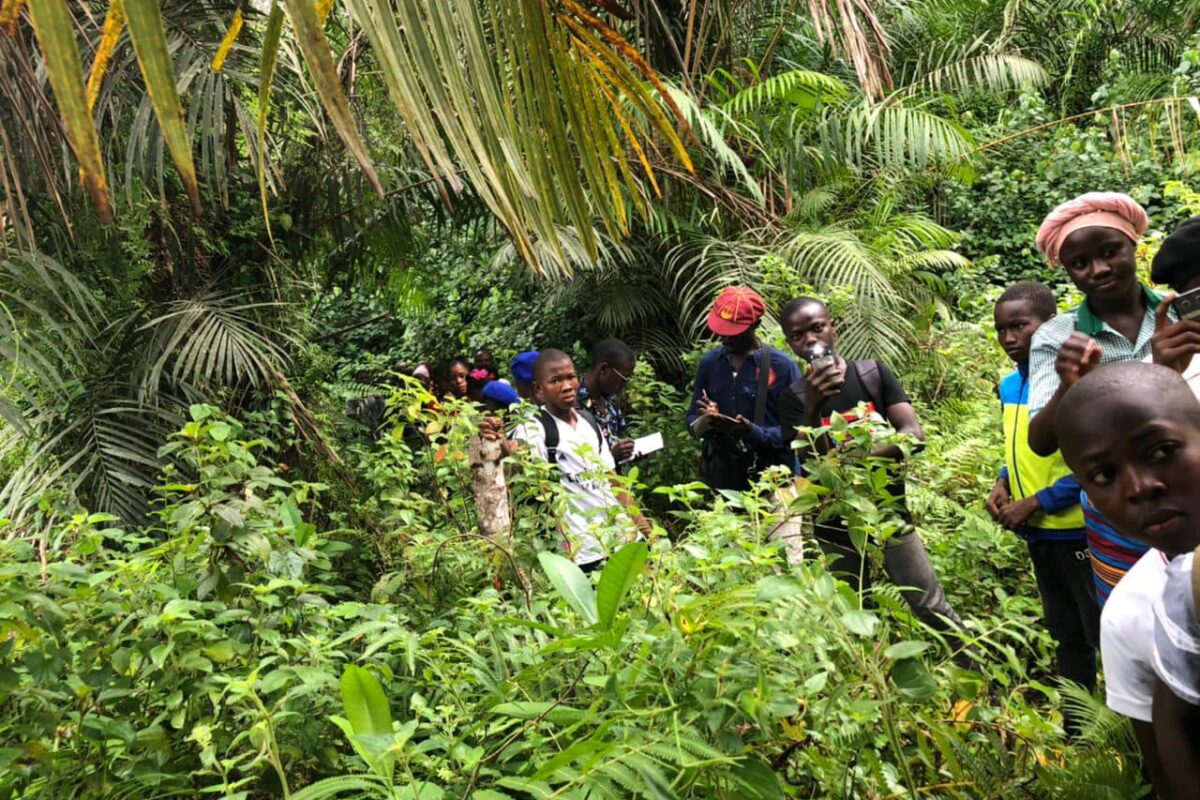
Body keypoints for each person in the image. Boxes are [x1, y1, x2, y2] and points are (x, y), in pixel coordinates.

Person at [1026, 193, 1200, 607]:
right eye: (1080, 264)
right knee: (1139, 614)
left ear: (1134, 247)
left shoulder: (1183, 310)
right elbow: (1041, 440)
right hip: (1116, 507)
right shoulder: (1056, 337)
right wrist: (1070, 386)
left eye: (1109, 252)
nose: (1099, 269)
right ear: (1067, 271)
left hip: (1189, 486)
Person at [776, 297, 968, 638]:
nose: (810, 339)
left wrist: (857, 457)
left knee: (929, 602)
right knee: (857, 610)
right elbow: (813, 466)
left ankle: (972, 667)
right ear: (789, 342)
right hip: (835, 524)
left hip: (889, 512)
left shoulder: (872, 373)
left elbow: (913, 435)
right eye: (797, 335)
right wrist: (813, 405)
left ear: (833, 327)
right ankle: (876, 678)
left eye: (817, 327)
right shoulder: (792, 397)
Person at [1054, 362, 1200, 798]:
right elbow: (1167, 772)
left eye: (1161, 451)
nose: (1139, 487)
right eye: (1104, 476)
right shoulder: (1128, 614)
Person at [987, 281, 1100, 726]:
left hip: (1078, 529)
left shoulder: (1076, 384)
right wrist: (1003, 481)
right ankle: (1079, 732)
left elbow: (1096, 463)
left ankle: (1130, 734)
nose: (1010, 338)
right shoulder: (1009, 385)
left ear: (1049, 326)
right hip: (1039, 534)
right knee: (1065, 633)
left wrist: (1037, 501)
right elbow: (1017, 446)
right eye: (1001, 329)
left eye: (1020, 326)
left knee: (1101, 633)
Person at [507, 350, 651, 571]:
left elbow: (614, 483)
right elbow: (541, 493)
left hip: (625, 539)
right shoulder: (533, 430)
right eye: (555, 380)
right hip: (586, 553)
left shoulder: (587, 421)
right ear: (538, 389)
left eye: (570, 377)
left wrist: (648, 533)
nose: (566, 386)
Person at [687, 286, 800, 490]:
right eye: (722, 332)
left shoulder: (783, 367)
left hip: (775, 481)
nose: (726, 339)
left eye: (734, 333)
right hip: (724, 479)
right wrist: (706, 420)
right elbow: (690, 421)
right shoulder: (710, 364)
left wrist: (752, 432)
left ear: (755, 325)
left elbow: (797, 431)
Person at [579, 338, 637, 464]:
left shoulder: (611, 400)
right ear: (604, 370)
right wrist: (610, 456)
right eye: (623, 379)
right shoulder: (574, 405)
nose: (624, 385)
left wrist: (630, 452)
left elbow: (617, 437)